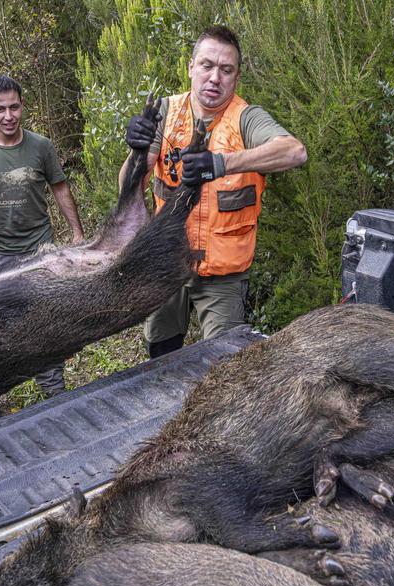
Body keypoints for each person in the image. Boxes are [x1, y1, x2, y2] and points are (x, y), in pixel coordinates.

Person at [121, 25, 307, 358]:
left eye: (226, 70)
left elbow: (295, 152)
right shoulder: (166, 112)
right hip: (167, 260)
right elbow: (128, 187)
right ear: (191, 67)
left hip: (223, 275)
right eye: (207, 65)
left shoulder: (246, 118)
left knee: (223, 366)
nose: (214, 78)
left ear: (236, 78)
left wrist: (220, 164)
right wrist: (136, 151)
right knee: (160, 353)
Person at [0, 75, 84, 396]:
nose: (8, 116)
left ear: (23, 106)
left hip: (39, 251)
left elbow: (60, 187)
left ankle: (54, 392)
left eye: (15, 107)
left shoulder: (41, 147)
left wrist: (77, 232)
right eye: (0, 110)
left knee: (44, 323)